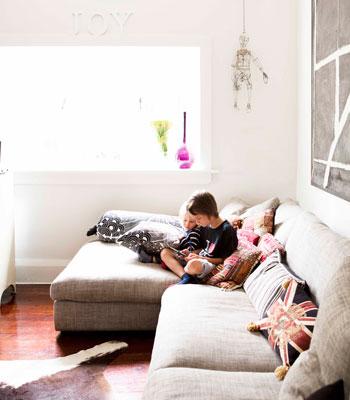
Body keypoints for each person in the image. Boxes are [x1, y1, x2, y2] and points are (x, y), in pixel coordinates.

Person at [160, 190, 238, 284]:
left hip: (210, 264)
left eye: (198, 218)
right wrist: (190, 252)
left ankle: (185, 271)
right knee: (165, 252)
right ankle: (185, 277)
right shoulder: (205, 226)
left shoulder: (227, 231)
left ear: (209, 213)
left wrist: (201, 258)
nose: (197, 223)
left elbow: (224, 260)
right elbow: (203, 248)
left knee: (192, 265)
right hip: (199, 259)